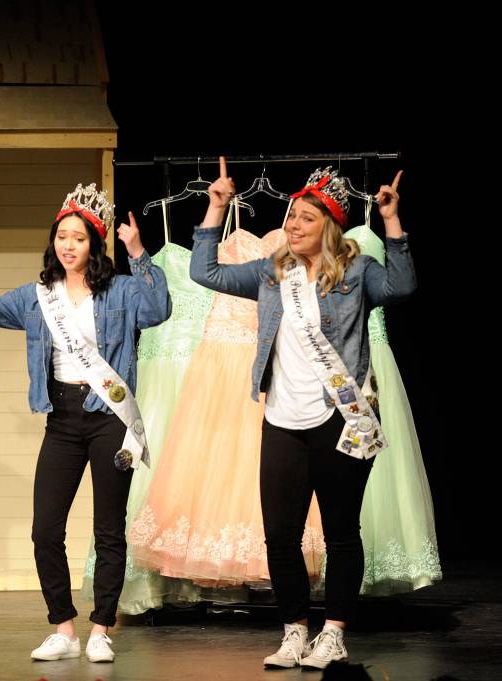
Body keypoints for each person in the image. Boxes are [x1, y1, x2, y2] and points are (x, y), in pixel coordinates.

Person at [189, 159, 414, 670]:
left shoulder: (357, 272)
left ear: (330, 226)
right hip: (282, 423)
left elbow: (402, 288)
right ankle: (294, 630)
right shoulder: (271, 273)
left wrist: (392, 224)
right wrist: (216, 207)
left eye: (307, 218)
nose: (293, 225)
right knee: (281, 535)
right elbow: (203, 272)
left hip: (341, 419)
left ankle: (333, 633)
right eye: (292, 216)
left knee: (340, 532)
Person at [0, 184, 171, 662]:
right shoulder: (37, 298)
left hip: (110, 417)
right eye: (62, 236)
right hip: (62, 420)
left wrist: (138, 253)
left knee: (108, 529)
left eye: (79, 237)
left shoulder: (121, 289)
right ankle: (64, 628)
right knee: (45, 529)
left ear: (95, 244)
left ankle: (101, 629)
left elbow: (159, 310)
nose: (68, 245)